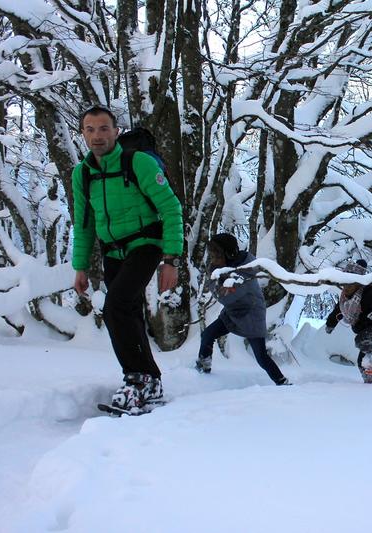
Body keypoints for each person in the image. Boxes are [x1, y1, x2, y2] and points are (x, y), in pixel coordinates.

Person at [72, 105, 183, 412]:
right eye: (90, 129)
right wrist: (80, 266)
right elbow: (84, 224)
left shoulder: (140, 163)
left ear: (116, 131)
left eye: (104, 128)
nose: (97, 136)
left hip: (146, 243)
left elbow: (171, 208)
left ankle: (137, 379)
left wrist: (170, 260)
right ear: (82, 133)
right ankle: (151, 382)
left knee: (116, 306)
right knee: (129, 312)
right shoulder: (82, 174)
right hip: (112, 250)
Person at [196, 233, 290, 386]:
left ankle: (282, 382)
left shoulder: (245, 274)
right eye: (212, 254)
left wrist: (212, 280)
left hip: (251, 317)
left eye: (217, 254)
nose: (213, 258)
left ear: (229, 254)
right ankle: (202, 370)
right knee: (208, 334)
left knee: (261, 357)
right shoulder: (223, 266)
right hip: (233, 312)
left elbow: (224, 297)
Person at [325, 260, 372, 383]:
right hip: (363, 330)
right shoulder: (345, 297)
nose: (347, 288)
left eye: (350, 285)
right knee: (361, 362)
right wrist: (330, 323)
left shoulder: (370, 292)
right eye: (345, 284)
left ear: (359, 283)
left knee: (360, 341)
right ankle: (370, 382)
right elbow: (337, 311)